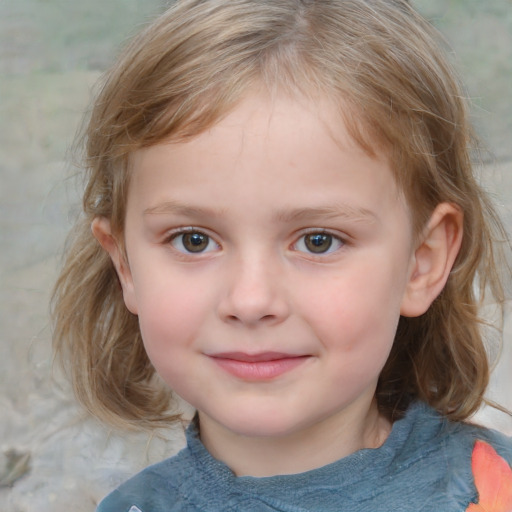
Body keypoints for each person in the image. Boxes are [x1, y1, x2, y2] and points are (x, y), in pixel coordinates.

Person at [52, 0, 512, 510]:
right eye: (193, 240)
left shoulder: (492, 491)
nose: (250, 301)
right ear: (125, 265)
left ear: (421, 262)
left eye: (319, 241)